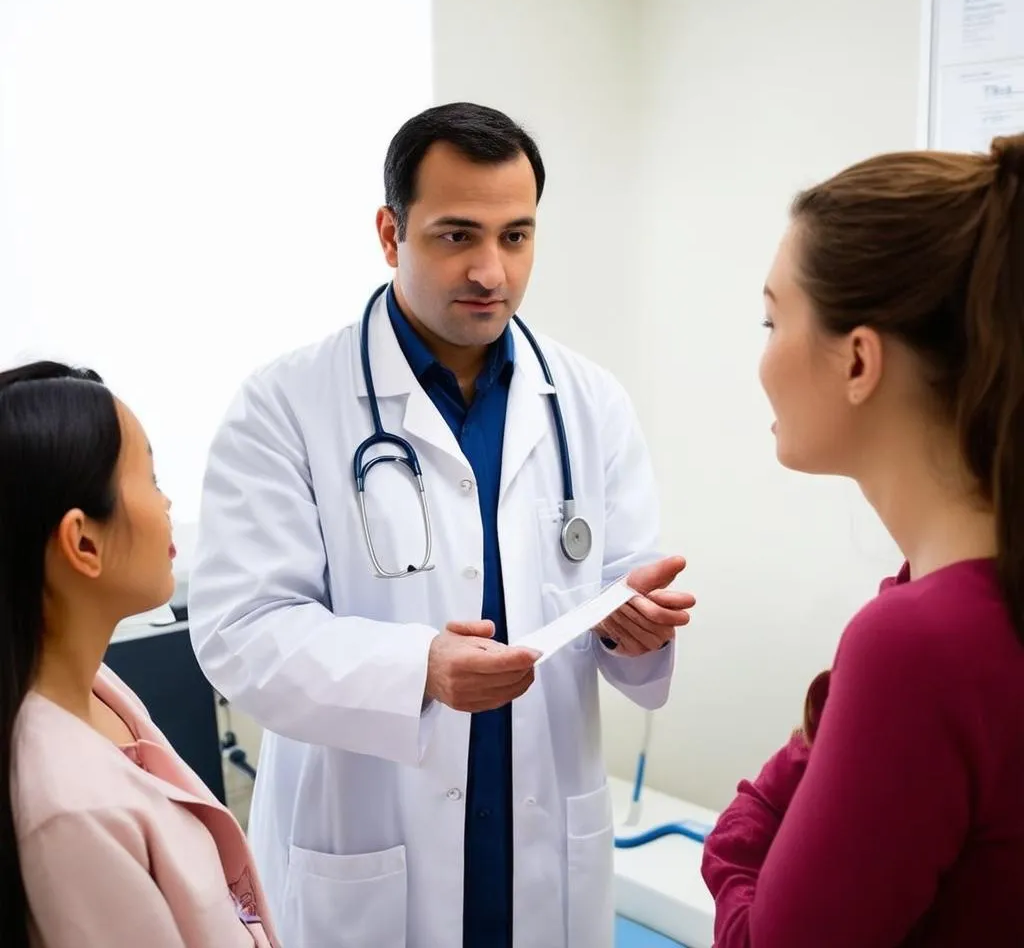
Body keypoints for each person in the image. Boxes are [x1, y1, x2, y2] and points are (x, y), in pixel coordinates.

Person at [187, 101, 694, 948]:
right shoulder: (286, 406)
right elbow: (240, 633)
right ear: (391, 234)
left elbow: (621, 577)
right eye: (457, 236)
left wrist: (632, 629)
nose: (491, 271)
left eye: (517, 236)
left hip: (536, 846)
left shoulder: (588, 403)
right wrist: (417, 668)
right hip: (369, 851)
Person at [702, 133, 1024, 946]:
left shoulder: (919, 645)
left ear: (858, 362)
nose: (762, 359)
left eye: (771, 320)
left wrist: (736, 845)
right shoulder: (959, 602)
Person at [0, 362, 279, 947]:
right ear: (83, 542)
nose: (168, 500)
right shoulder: (66, 815)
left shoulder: (95, 685)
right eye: (150, 478)